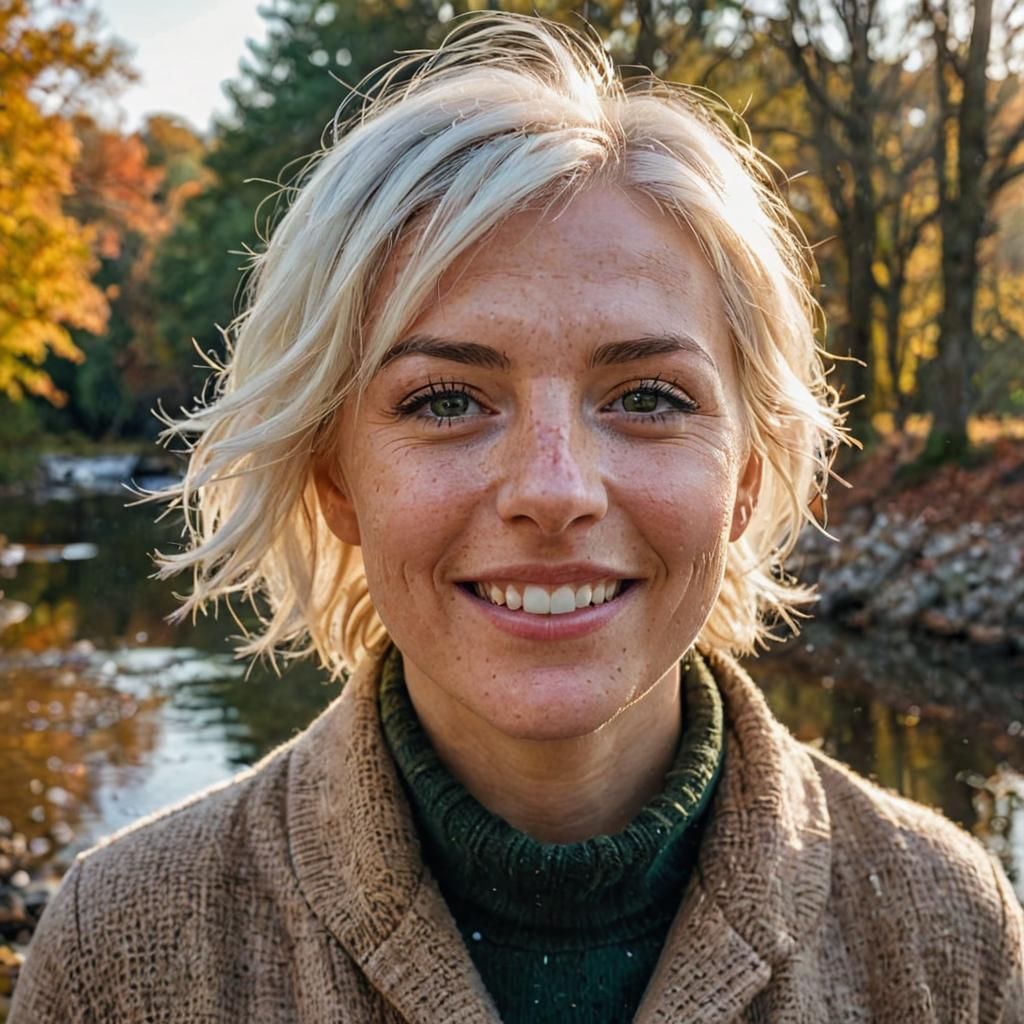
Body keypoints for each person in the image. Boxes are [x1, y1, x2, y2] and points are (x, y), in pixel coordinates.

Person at [10, 12, 1023, 1024]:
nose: (554, 488)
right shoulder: (122, 949)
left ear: (748, 472)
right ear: (334, 478)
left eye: (647, 397)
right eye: (446, 400)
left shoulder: (950, 935)